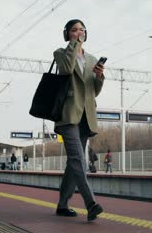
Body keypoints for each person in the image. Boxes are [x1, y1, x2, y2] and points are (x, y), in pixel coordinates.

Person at [53, 19, 105, 222]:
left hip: (85, 117)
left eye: (82, 29)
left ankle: (62, 205)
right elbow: (66, 69)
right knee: (78, 160)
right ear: (67, 34)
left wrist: (100, 77)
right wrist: (74, 45)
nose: (79, 32)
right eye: (74, 30)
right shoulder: (60, 52)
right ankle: (91, 203)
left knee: (73, 164)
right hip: (68, 115)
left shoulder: (92, 59)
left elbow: (94, 91)